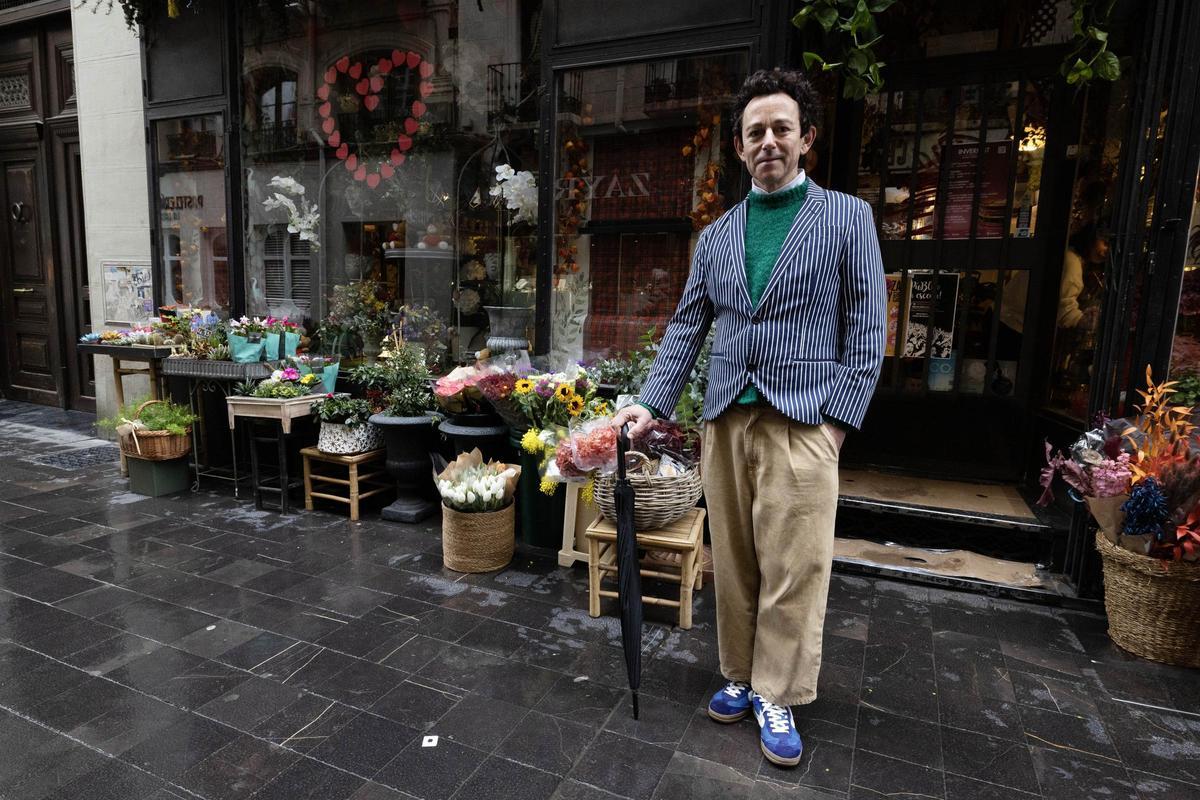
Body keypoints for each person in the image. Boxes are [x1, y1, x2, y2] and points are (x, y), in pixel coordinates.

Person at [612, 68, 886, 768]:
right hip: (725, 422)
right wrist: (650, 404)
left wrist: (835, 427)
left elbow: (867, 330)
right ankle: (739, 672)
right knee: (732, 563)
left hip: (803, 421)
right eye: (755, 132)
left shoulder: (847, 219)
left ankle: (779, 693)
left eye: (781, 129)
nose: (768, 141)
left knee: (796, 564)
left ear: (807, 139)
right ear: (738, 147)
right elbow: (685, 329)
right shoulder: (716, 236)